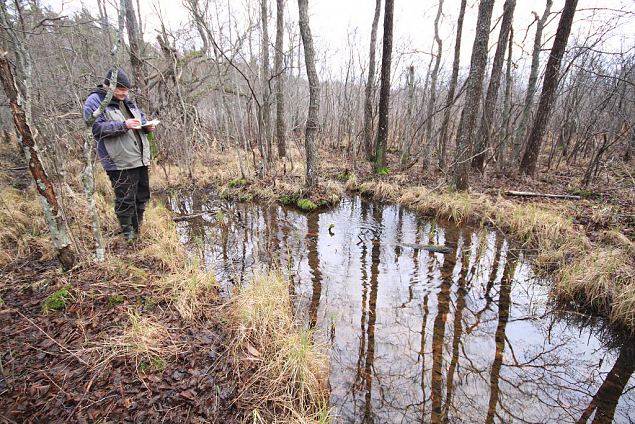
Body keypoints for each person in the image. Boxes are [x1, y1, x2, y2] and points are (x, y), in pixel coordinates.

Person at [83, 68, 156, 241]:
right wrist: (124, 125)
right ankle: (128, 234)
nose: (125, 93)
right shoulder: (95, 101)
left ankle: (137, 229)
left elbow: (141, 119)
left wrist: (146, 126)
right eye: (121, 89)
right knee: (125, 198)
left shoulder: (127, 101)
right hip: (118, 161)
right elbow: (95, 128)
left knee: (141, 195)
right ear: (109, 86)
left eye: (126, 90)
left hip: (139, 158)